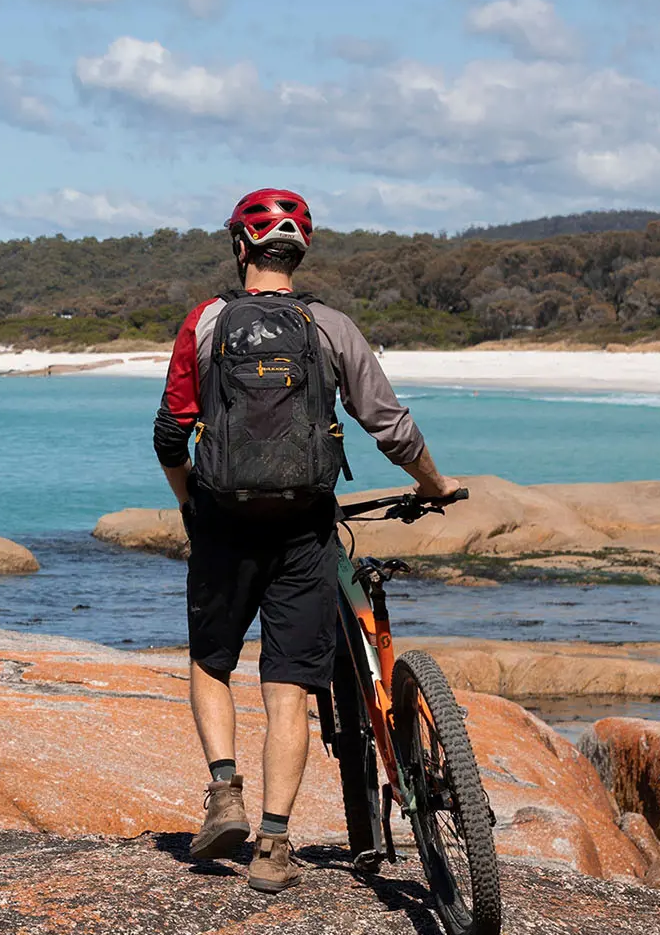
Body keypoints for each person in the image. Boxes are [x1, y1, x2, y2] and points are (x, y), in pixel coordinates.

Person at [153, 189, 460, 894]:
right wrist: (435, 484)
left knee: (211, 661)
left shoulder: (205, 323)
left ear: (241, 248)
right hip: (304, 525)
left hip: (225, 521)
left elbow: (171, 434)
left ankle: (223, 790)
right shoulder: (329, 327)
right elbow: (391, 427)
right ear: (301, 253)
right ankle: (274, 843)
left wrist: (192, 510)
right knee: (288, 686)